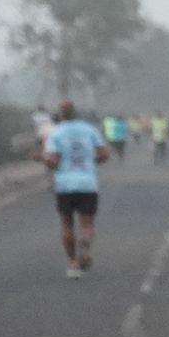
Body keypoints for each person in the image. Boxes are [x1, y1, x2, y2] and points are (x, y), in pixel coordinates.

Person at [43, 98, 106, 275]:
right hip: (87, 182)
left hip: (65, 184)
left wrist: (42, 159)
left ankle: (72, 262)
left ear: (60, 114)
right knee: (87, 223)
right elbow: (104, 155)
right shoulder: (90, 130)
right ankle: (85, 240)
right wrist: (90, 163)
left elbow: (53, 161)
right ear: (76, 112)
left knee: (66, 223)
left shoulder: (56, 133)